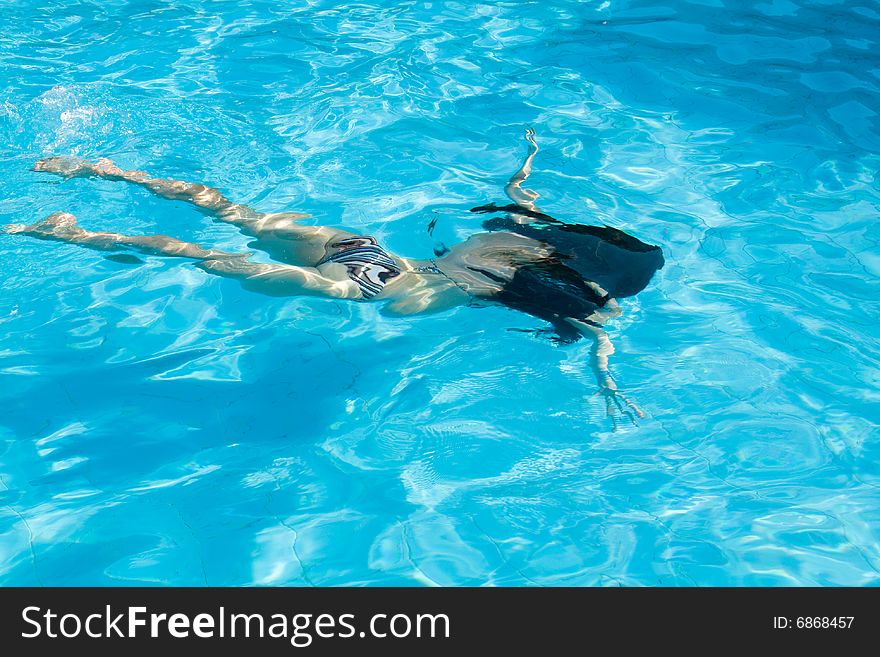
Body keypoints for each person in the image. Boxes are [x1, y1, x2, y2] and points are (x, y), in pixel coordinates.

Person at [5, 130, 663, 427]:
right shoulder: (583, 297)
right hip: (381, 289)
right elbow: (602, 340)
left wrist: (527, 160)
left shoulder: (525, 232)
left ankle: (110, 171)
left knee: (232, 211)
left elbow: (517, 192)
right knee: (209, 257)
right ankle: (77, 233)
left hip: (369, 252)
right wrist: (609, 384)